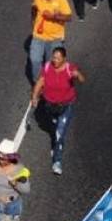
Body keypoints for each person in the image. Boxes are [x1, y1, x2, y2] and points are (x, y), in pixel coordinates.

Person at [30, 46, 85, 175]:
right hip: (50, 105)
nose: (55, 60)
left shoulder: (69, 68)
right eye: (53, 57)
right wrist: (35, 97)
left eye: (58, 58)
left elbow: (82, 80)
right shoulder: (48, 67)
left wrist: (78, 75)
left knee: (60, 133)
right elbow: (40, 82)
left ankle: (57, 161)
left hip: (66, 106)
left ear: (64, 59)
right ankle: (55, 135)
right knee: (54, 126)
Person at [29, 0, 72, 79]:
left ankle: (49, 85)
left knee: (51, 63)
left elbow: (69, 17)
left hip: (54, 38)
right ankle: (38, 84)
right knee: (35, 60)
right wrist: (33, 21)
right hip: (38, 35)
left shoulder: (61, 1)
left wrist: (53, 16)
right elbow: (34, 8)